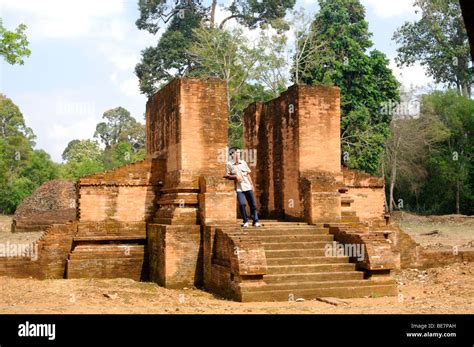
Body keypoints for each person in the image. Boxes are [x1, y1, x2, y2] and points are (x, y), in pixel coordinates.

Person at [224, 147, 261, 228]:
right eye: (236, 153)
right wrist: (235, 176)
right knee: (241, 204)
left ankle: (256, 221)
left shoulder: (243, 162)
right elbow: (226, 176)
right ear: (232, 154)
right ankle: (246, 221)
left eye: (238, 153)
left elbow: (248, 174)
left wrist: (252, 185)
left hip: (247, 186)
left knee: (253, 204)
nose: (238, 154)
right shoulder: (229, 164)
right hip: (239, 188)